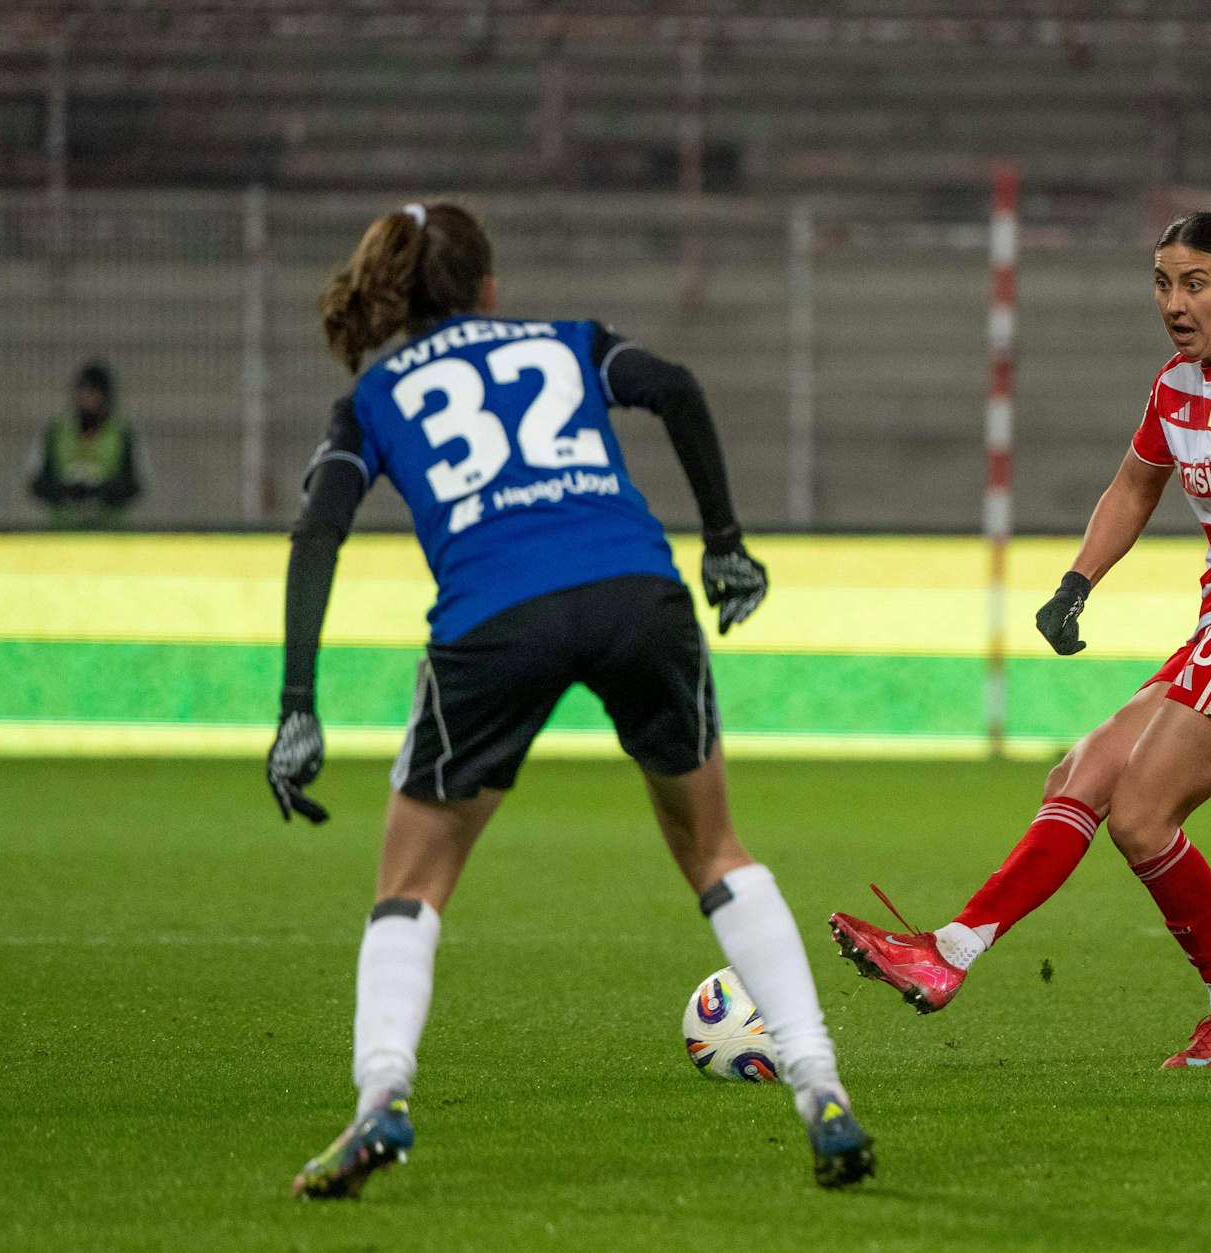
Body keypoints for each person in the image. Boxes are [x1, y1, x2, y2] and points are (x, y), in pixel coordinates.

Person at [268, 201, 874, 1197]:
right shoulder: (566, 341)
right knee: (715, 851)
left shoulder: (373, 396)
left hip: (492, 617)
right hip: (636, 591)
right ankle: (819, 1085)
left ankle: (380, 1096)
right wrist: (722, 541)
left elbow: (316, 532)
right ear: (489, 290)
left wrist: (298, 702)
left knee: (409, 884)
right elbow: (673, 386)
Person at [829, 211, 1211, 1069]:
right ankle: (950, 951)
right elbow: (1135, 486)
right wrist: (1077, 582)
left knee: (1141, 815)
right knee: (1082, 772)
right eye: (1163, 283)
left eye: (1196, 283)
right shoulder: (1176, 384)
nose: (1176, 303)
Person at [25, 359, 144, 528]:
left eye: (94, 394)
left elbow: (136, 484)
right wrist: (65, 492)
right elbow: (36, 482)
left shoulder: (123, 434)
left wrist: (103, 493)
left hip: (110, 535)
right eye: (83, 393)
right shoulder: (56, 432)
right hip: (61, 534)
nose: (87, 401)